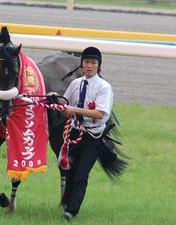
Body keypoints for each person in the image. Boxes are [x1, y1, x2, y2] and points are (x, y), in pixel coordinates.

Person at [49, 46, 113, 221]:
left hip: (93, 137)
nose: (89, 66)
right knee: (68, 169)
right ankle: (67, 203)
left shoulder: (104, 88)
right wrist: (54, 98)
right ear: (82, 64)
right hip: (74, 133)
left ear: (99, 65)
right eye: (86, 62)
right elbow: (66, 101)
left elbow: (100, 113)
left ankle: (72, 211)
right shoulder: (76, 84)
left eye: (93, 62)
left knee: (81, 174)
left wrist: (74, 109)